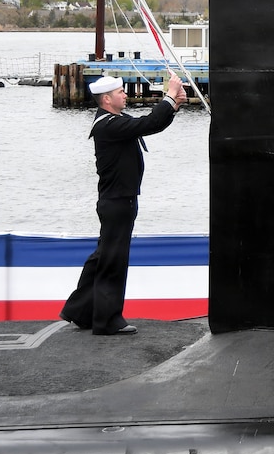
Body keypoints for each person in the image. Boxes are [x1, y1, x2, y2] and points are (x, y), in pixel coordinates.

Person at [60, 72, 187, 335]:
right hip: (118, 202)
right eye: (120, 92)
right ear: (107, 99)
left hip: (118, 201)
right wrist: (170, 95)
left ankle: (79, 310)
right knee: (113, 261)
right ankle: (107, 321)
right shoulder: (108, 126)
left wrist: (173, 105)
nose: (125, 94)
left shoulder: (114, 120)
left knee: (102, 257)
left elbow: (152, 124)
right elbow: (148, 123)